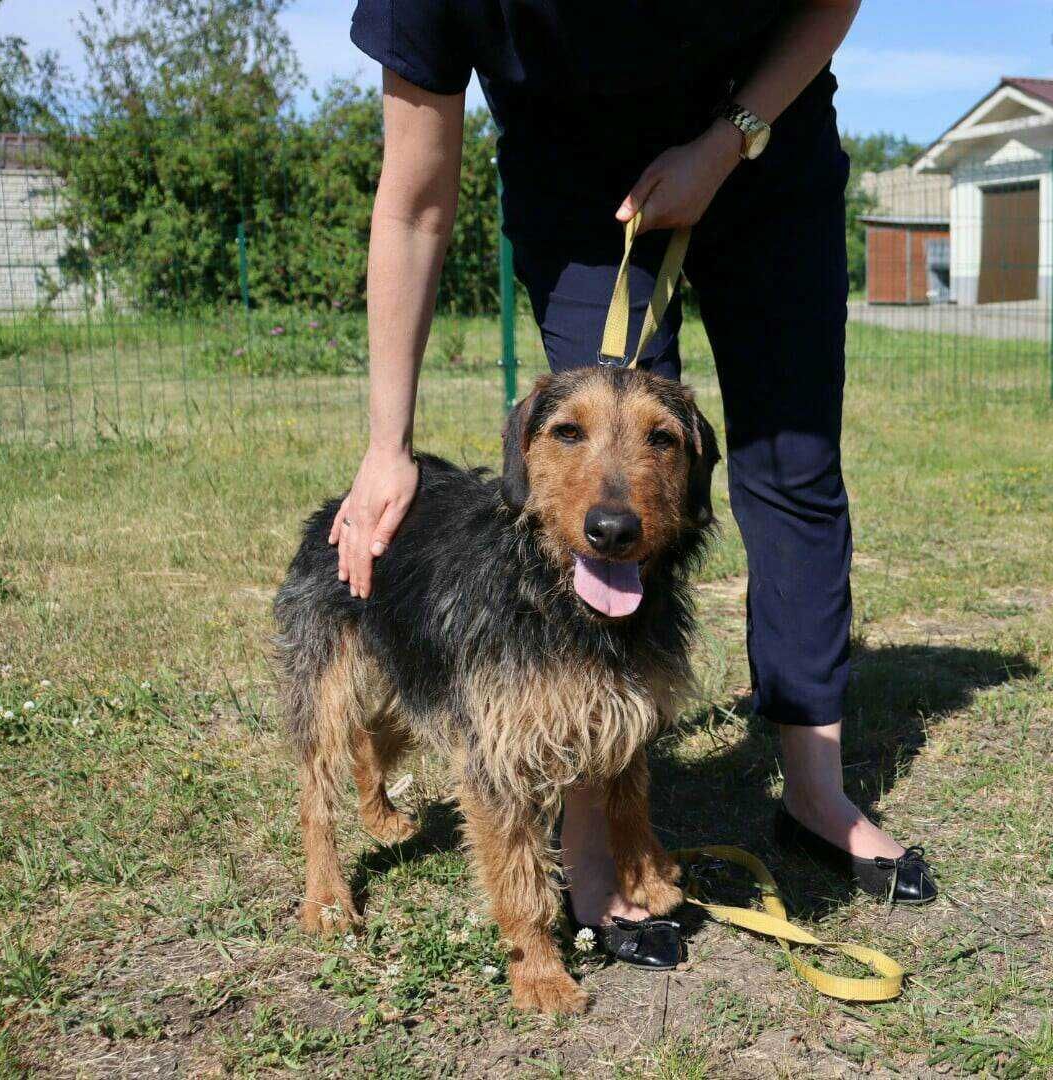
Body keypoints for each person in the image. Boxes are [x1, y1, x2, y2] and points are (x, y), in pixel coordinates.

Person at [332, 0, 936, 960]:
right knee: (598, 491)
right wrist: (385, 443)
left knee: (791, 464)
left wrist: (727, 143)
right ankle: (591, 840)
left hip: (763, 140)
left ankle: (814, 793)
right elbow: (412, 204)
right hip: (579, 188)